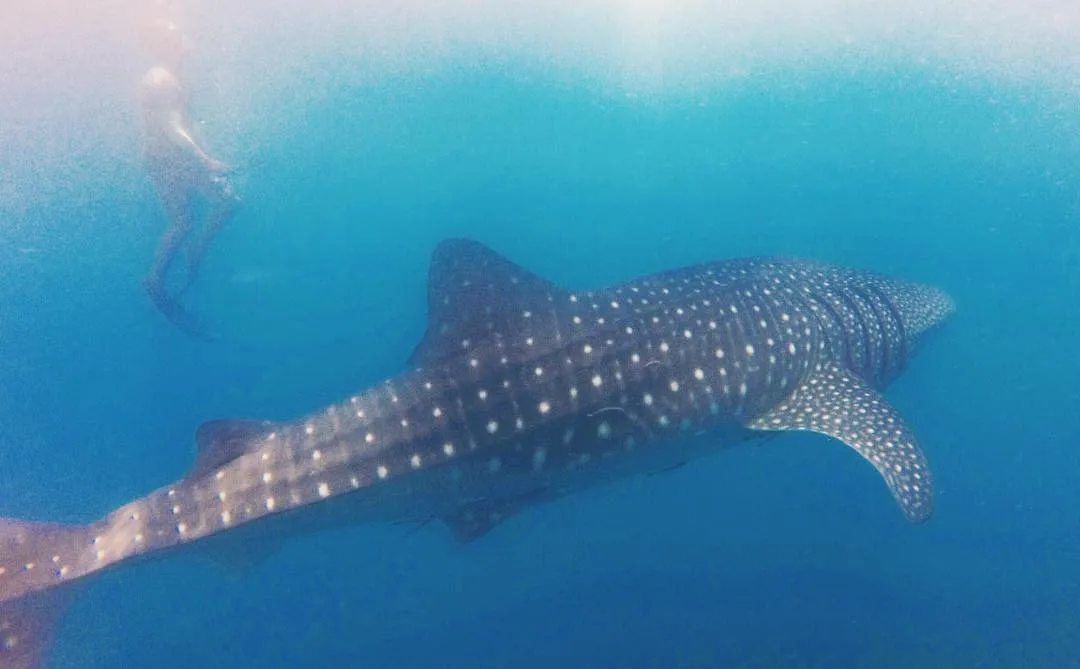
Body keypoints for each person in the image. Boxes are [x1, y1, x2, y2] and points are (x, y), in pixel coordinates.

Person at [138, 17, 238, 334]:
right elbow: (173, 128)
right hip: (170, 160)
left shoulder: (170, 76)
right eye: (176, 34)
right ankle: (169, 269)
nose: (184, 37)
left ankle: (158, 277)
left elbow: (184, 123)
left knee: (186, 221)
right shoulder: (161, 79)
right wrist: (204, 159)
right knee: (223, 203)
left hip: (167, 160)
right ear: (163, 44)